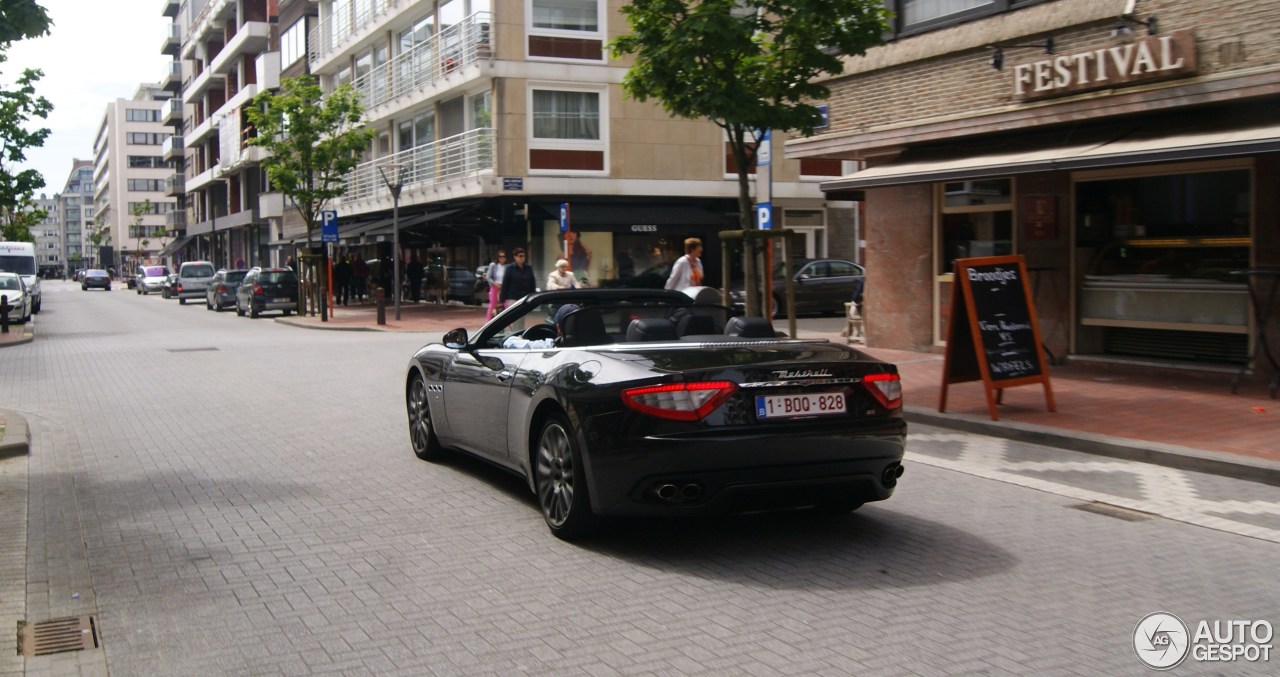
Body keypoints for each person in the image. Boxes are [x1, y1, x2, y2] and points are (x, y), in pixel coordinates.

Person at [485, 250, 506, 320]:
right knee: (492, 305)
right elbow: (488, 277)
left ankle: (508, 326)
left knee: (505, 305)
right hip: (495, 287)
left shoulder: (507, 267)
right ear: (497, 258)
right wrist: (495, 284)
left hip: (503, 288)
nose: (502, 258)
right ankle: (488, 323)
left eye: (503, 256)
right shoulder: (493, 265)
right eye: (500, 256)